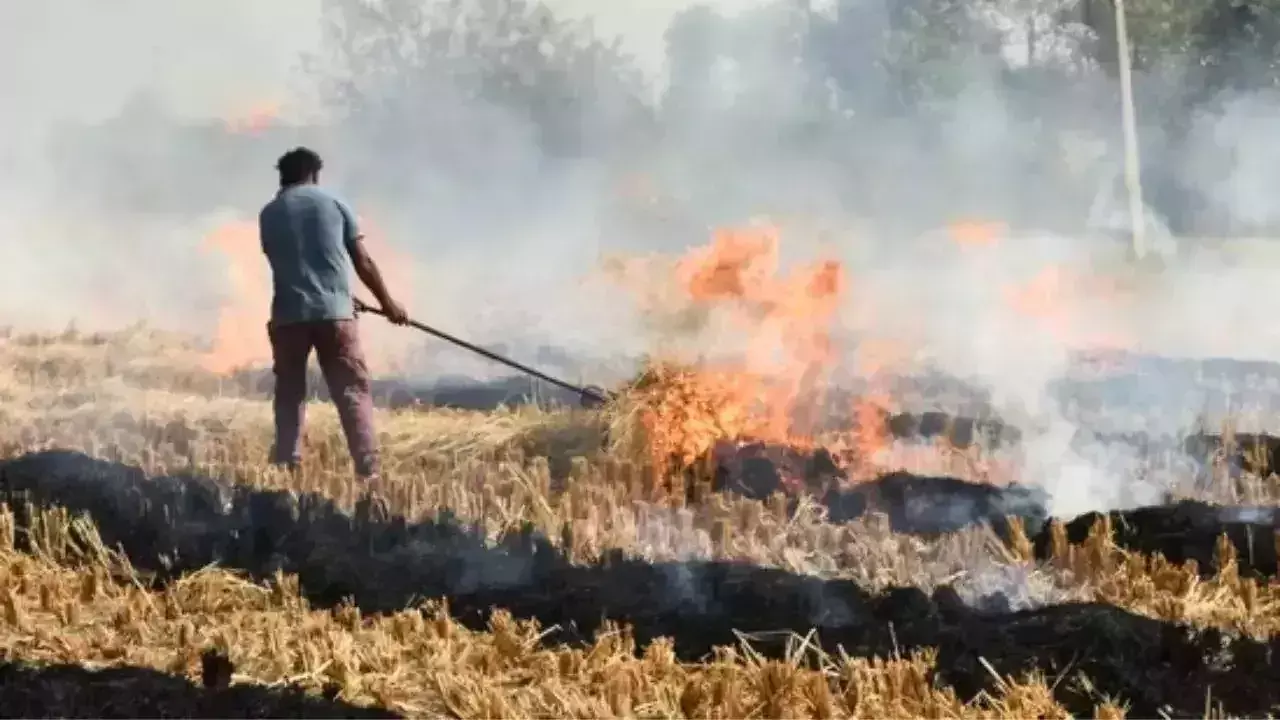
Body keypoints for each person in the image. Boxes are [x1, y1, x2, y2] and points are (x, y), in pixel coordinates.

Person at [258, 147, 408, 483]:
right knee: (352, 390)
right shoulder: (334, 203)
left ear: (283, 176)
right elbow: (362, 261)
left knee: (290, 390)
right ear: (314, 174)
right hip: (335, 316)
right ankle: (368, 468)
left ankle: (288, 460)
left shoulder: (268, 213)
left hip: (289, 315)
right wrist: (388, 304)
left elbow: (291, 264)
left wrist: (336, 292)